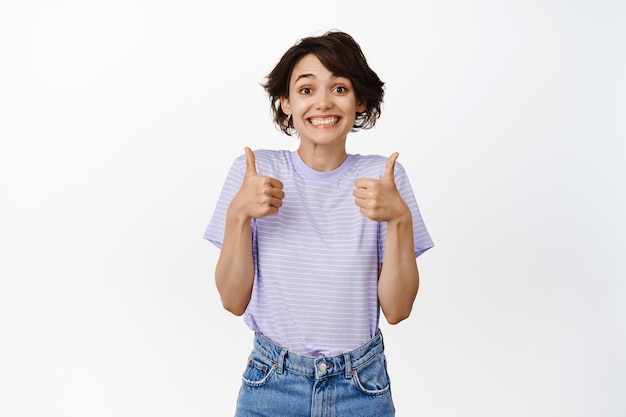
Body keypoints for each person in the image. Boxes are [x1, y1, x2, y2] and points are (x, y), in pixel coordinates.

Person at [204, 30, 433, 417]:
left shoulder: (384, 178)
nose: (323, 102)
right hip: (272, 382)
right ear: (286, 102)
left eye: (339, 88)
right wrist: (238, 215)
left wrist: (400, 220)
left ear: (360, 100)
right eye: (307, 90)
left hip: (361, 385)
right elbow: (232, 301)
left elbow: (397, 310)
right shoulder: (254, 172)